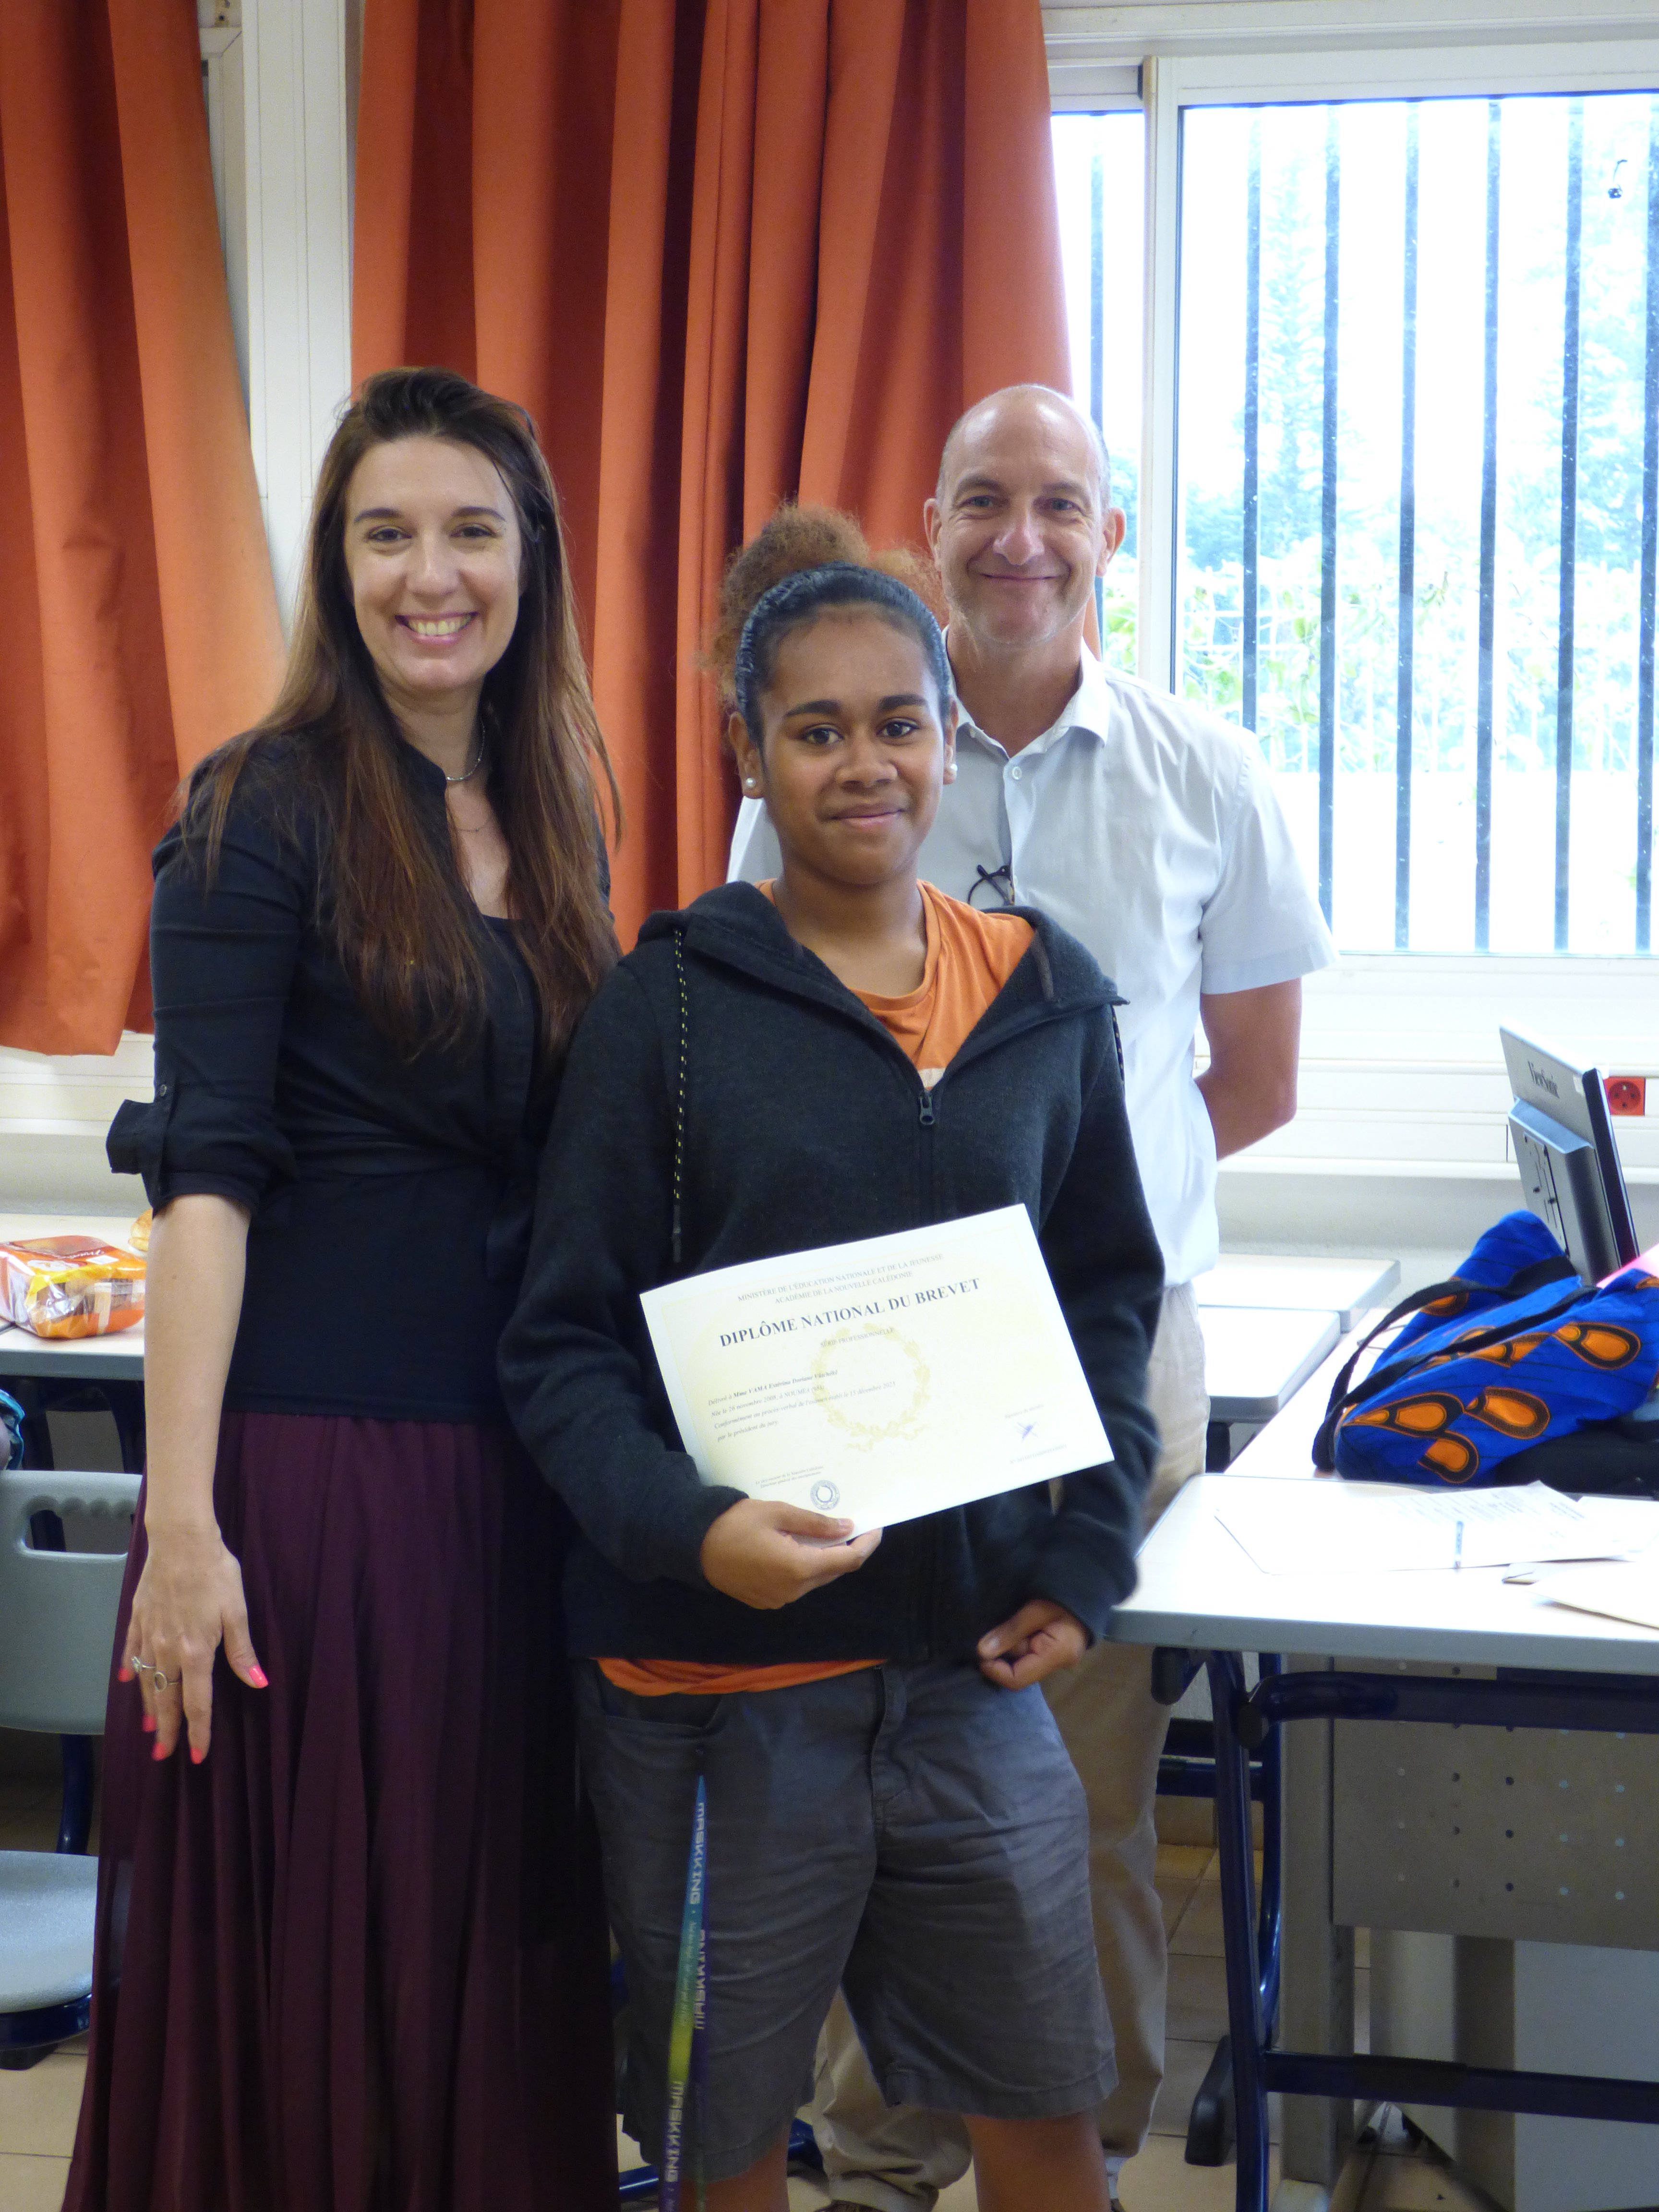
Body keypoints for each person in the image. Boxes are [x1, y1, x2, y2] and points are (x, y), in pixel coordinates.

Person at [500, 545, 1166, 2212]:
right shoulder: (664, 1011)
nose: (864, 764)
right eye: (816, 731)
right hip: (717, 1688)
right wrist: (691, 1530)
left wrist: (1085, 1556)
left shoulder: (1045, 999)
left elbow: (1105, 1301)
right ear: (750, 751)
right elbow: (561, 1345)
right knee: (723, 2138)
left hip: (965, 1680)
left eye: (897, 724)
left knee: (1050, 2121)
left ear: (948, 739)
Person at [727, 389, 1336, 2207]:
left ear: (1110, 539)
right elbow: (760, 1046)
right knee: (866, 1749)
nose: (1021, 538)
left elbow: (1253, 1081)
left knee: (1079, 1779)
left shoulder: (1207, 769)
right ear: (929, 527)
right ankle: (880, 2153)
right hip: (870, 1347)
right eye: (984, 500)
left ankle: (1080, 2146)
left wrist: (1080, 1213)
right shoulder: (838, 759)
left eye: (1061, 504)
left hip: (1113, 1350)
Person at [67, 367, 621, 2212]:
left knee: (476, 1946)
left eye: (470, 530)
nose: (428, 575)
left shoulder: (553, 807)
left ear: (530, 557)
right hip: (317, 1485)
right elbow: (205, 1187)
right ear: (336, 563)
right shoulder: (260, 807)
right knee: (328, 1965)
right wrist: (184, 1531)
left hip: (511, 1472)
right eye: (387, 534)